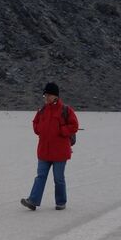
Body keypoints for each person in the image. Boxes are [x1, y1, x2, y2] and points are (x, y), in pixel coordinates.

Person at [21, 82, 79, 211]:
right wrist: (39, 129)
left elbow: (74, 126)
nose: (46, 98)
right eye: (45, 95)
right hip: (44, 151)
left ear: (55, 96)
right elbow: (35, 123)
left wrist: (61, 130)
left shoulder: (65, 110)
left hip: (60, 152)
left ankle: (61, 202)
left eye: (48, 95)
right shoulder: (42, 110)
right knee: (40, 176)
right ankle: (33, 201)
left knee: (58, 178)